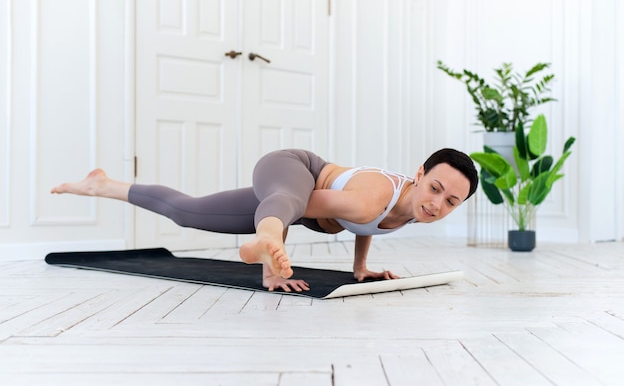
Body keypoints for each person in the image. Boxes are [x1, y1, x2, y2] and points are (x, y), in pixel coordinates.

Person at [51, 148, 478, 293]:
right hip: (292, 169)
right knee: (287, 200)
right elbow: (303, 204)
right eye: (435, 188)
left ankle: (101, 185)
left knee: (187, 212)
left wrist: (359, 268)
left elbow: (370, 224)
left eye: (452, 202)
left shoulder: (417, 207)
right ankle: (263, 248)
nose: (438, 204)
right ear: (420, 175)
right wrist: (272, 267)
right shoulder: (371, 199)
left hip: (295, 200)